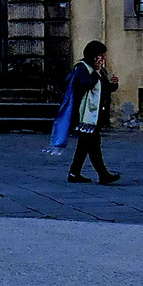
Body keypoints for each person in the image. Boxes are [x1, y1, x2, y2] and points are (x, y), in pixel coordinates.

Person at [50, 40, 122, 185]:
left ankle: (75, 173)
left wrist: (114, 84)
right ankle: (102, 175)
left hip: (95, 116)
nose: (103, 58)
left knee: (85, 146)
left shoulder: (101, 70)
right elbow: (87, 84)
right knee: (92, 145)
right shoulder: (82, 68)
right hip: (84, 116)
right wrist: (96, 72)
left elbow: (105, 89)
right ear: (93, 55)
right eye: (100, 55)